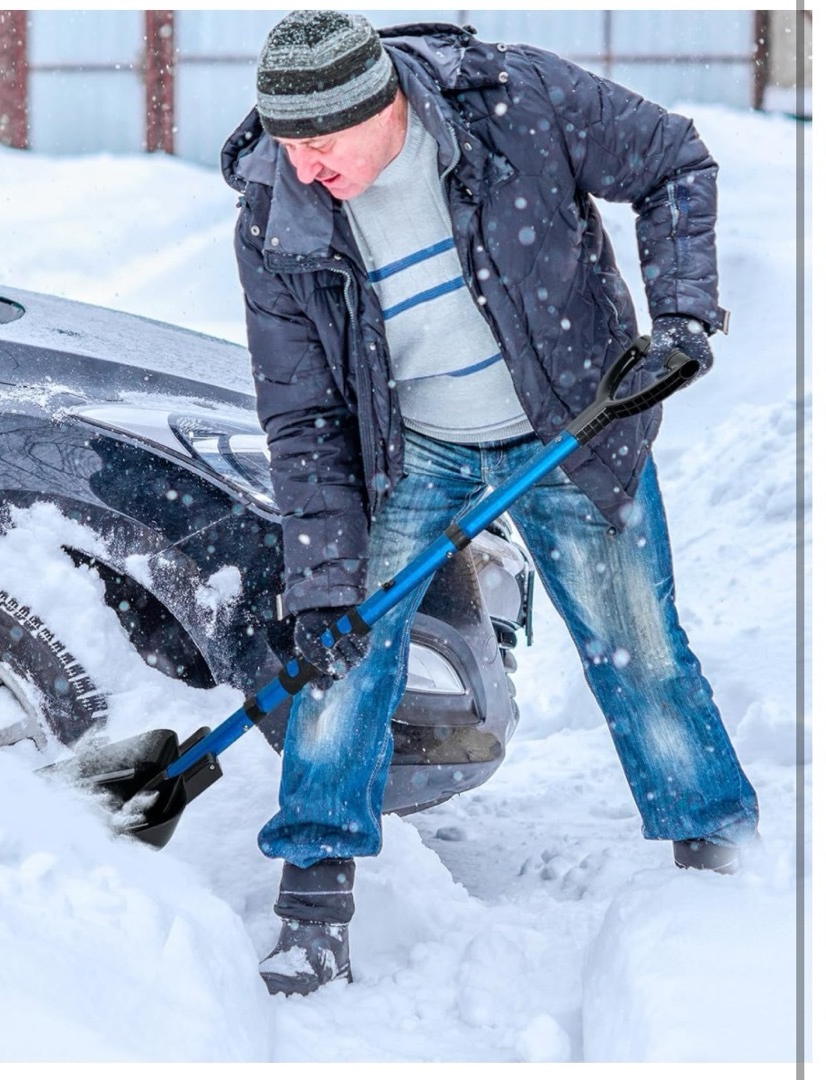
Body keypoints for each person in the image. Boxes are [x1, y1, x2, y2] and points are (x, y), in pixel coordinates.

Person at [221, 11, 760, 997]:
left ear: (381, 104)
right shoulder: (276, 213)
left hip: (573, 417)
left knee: (641, 648)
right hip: (411, 447)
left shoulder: (515, 101)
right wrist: (325, 588)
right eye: (286, 145)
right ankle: (311, 905)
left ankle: (721, 868)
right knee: (341, 653)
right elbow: (303, 419)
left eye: (319, 143)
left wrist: (681, 314)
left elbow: (675, 161)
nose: (302, 167)